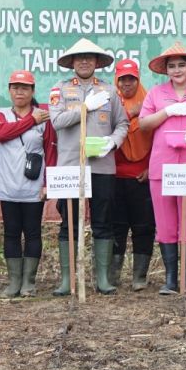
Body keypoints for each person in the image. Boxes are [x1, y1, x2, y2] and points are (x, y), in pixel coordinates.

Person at [49, 38, 129, 295]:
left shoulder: (110, 91)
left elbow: (123, 124)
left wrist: (113, 143)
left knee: (103, 222)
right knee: (68, 223)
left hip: (102, 166)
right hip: (70, 166)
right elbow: (57, 121)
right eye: (79, 57)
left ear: (96, 62)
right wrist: (84, 108)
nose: (84, 61)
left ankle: (103, 279)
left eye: (90, 57)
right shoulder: (59, 90)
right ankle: (67, 280)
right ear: (72, 62)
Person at [138, 42, 186, 295]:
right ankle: (171, 279)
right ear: (165, 71)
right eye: (171, 66)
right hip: (162, 166)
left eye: (181, 65)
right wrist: (168, 111)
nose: (176, 70)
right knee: (166, 222)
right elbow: (144, 124)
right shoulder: (156, 94)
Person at [0, 70, 54, 298]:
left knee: (33, 233)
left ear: (32, 91)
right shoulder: (1, 114)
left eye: (25, 87)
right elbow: (1, 134)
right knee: (11, 233)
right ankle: (13, 282)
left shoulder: (44, 116)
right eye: (16, 87)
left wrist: (48, 183)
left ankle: (28, 282)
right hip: (8, 187)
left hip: (33, 187)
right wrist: (31, 120)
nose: (20, 91)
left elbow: (49, 150)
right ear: (9, 90)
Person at [111, 58, 156, 290]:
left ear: (138, 80)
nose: (127, 83)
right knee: (116, 227)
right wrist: (130, 113)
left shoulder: (150, 103)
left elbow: (159, 140)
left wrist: (152, 168)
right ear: (116, 80)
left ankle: (139, 278)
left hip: (142, 177)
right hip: (115, 177)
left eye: (132, 79)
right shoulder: (109, 102)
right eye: (122, 79)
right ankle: (113, 277)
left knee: (144, 227)